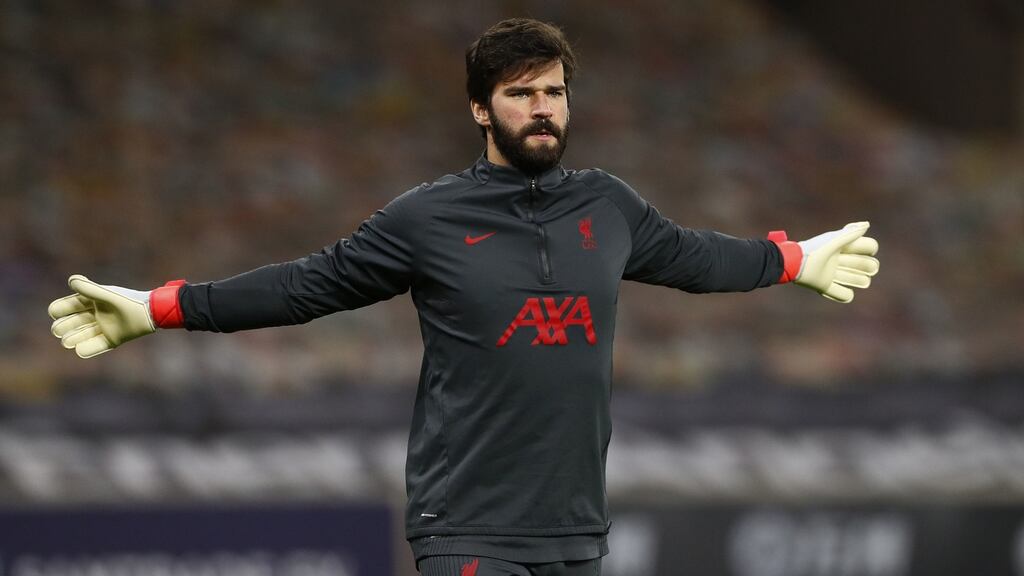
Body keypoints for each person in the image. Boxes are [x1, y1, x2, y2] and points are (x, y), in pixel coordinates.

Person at [47, 18, 879, 576]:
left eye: (554, 91)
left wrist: (793, 256)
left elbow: (699, 258)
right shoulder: (427, 217)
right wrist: (161, 307)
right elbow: (306, 287)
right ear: (482, 109)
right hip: (468, 530)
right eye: (522, 94)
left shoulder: (610, 207)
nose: (543, 108)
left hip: (576, 531)